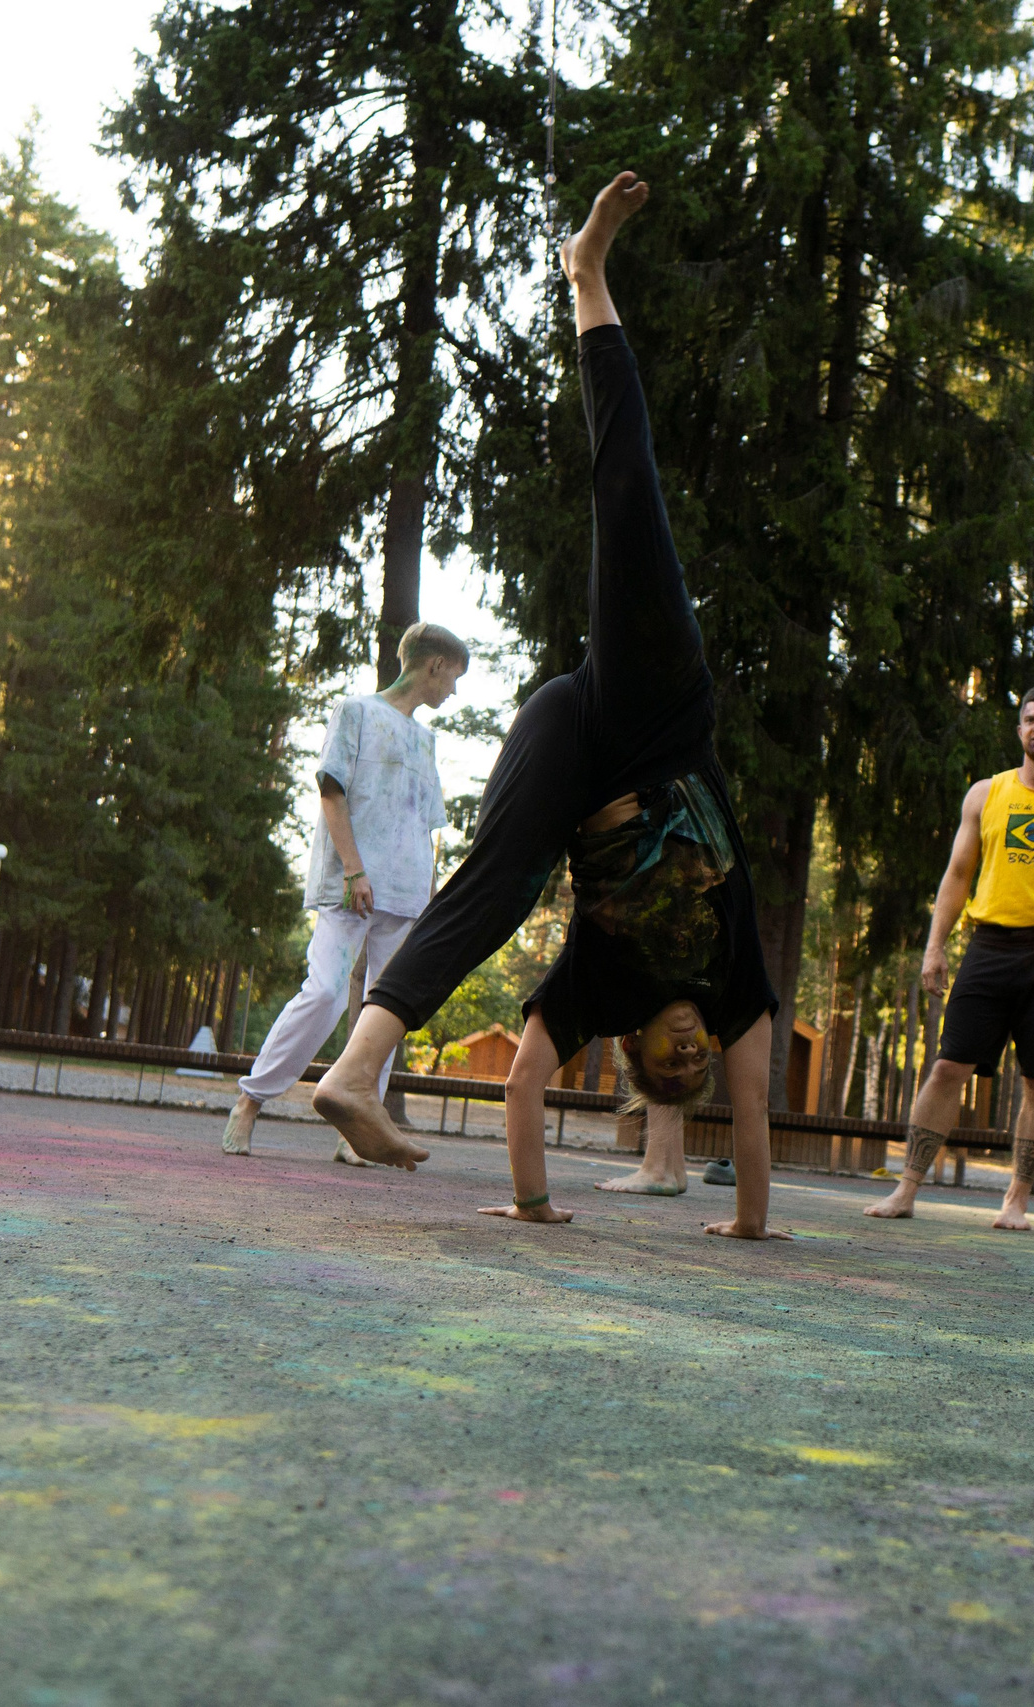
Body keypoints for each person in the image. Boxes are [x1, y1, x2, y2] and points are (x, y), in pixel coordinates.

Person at [308, 171, 787, 1241]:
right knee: (630, 503)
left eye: (664, 1059)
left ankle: (353, 1071)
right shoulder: (733, 981)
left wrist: (532, 1204)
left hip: (576, 748)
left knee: (487, 889)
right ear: (702, 1040)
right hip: (660, 715)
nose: (683, 1045)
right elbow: (750, 1108)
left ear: (632, 1050)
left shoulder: (600, 986)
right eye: (690, 1056)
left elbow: (527, 1077)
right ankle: (587, 279)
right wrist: (754, 1224)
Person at [862, 687, 1034, 1230]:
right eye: (1030, 719)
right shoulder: (986, 793)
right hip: (989, 945)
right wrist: (935, 946)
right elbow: (957, 877)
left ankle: (1016, 1201)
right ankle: (906, 1189)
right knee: (947, 1066)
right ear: (1019, 730)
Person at [221, 623, 466, 1158]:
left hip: (405, 895)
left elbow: (427, 825)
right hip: (350, 883)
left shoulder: (425, 738)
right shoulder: (355, 711)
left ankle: (358, 1134)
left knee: (388, 1009)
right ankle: (250, 1101)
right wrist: (355, 871)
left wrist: (427, 899)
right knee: (327, 992)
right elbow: (332, 792)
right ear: (434, 666)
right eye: (454, 677)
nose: (454, 690)